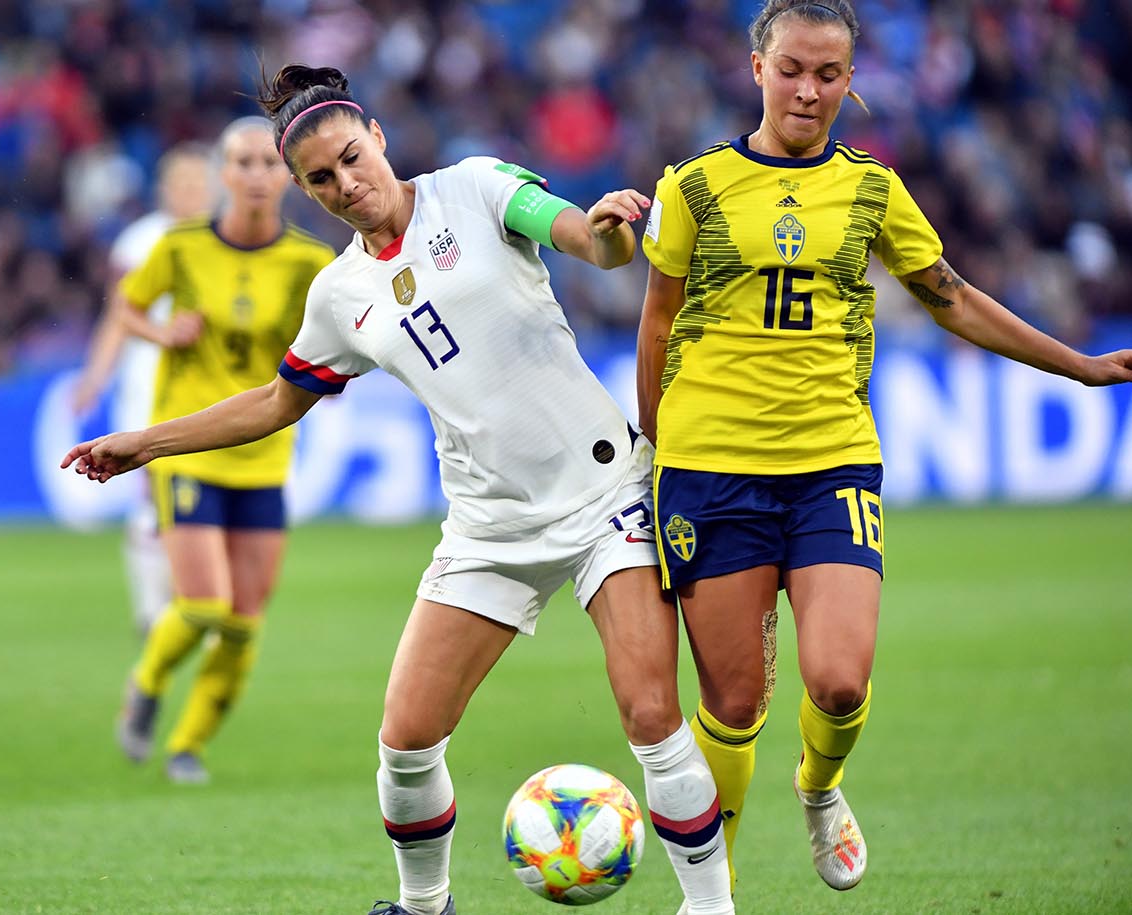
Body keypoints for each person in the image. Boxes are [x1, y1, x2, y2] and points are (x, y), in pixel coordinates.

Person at [65, 64, 735, 915]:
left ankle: (710, 906)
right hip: (488, 526)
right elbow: (277, 401)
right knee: (407, 740)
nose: (346, 184)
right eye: (321, 179)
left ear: (378, 136)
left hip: (607, 495)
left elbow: (582, 238)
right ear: (305, 192)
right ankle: (425, 908)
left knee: (649, 713)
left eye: (351, 158)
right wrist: (143, 444)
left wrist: (606, 232)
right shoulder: (339, 296)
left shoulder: (477, 188)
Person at [635, 0, 1132, 895]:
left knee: (836, 683)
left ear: (850, 81)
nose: (808, 89)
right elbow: (659, 324)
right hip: (709, 470)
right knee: (734, 702)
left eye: (829, 74)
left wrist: (1078, 365)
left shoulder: (872, 188)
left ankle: (819, 788)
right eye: (791, 68)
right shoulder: (694, 186)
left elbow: (952, 295)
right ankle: (715, 891)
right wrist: (653, 448)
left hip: (831, 463)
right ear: (757, 68)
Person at [106, 116, 335, 785]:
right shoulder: (179, 246)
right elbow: (124, 306)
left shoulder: (309, 262)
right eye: (243, 162)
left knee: (242, 622)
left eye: (270, 163)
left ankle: (187, 744)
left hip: (264, 454)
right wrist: (159, 332)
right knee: (203, 604)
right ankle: (146, 680)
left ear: (288, 178)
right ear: (223, 175)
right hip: (188, 446)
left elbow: (326, 336)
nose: (258, 175)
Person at [71, 142, 214, 634]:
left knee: (201, 493)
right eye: (183, 184)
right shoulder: (142, 240)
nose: (192, 194)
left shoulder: (226, 236)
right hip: (150, 382)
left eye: (200, 184)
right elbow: (120, 315)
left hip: (212, 386)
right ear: (165, 189)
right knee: (154, 494)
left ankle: (190, 597)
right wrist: (96, 375)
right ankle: (152, 608)